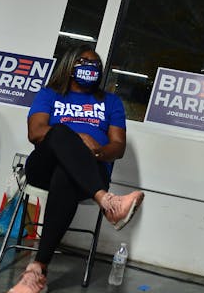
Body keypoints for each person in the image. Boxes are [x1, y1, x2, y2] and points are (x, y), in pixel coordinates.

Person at [8, 44, 144, 293]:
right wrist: (79, 138)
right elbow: (35, 132)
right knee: (60, 132)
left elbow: (118, 146)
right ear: (70, 66)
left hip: (89, 171)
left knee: (67, 175)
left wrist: (97, 152)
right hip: (42, 167)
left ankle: (36, 271)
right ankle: (108, 203)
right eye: (84, 61)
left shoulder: (111, 102)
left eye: (96, 65)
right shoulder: (50, 94)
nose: (91, 67)